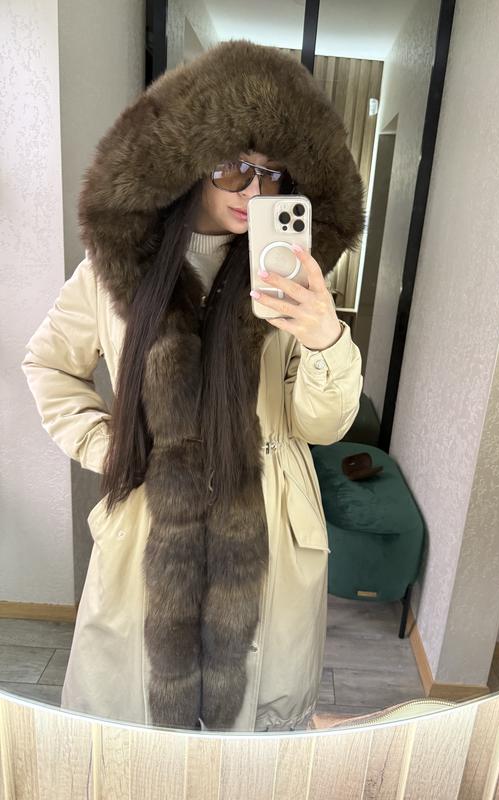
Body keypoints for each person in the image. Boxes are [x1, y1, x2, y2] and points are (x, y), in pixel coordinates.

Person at [21, 39, 365, 732]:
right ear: (188, 163)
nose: (255, 192)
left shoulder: (297, 277)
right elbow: (49, 365)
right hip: (152, 524)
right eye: (233, 168)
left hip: (267, 518)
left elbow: (321, 425)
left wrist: (326, 340)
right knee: (134, 729)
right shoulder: (113, 271)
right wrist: (112, 447)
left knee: (253, 737)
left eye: (272, 174)